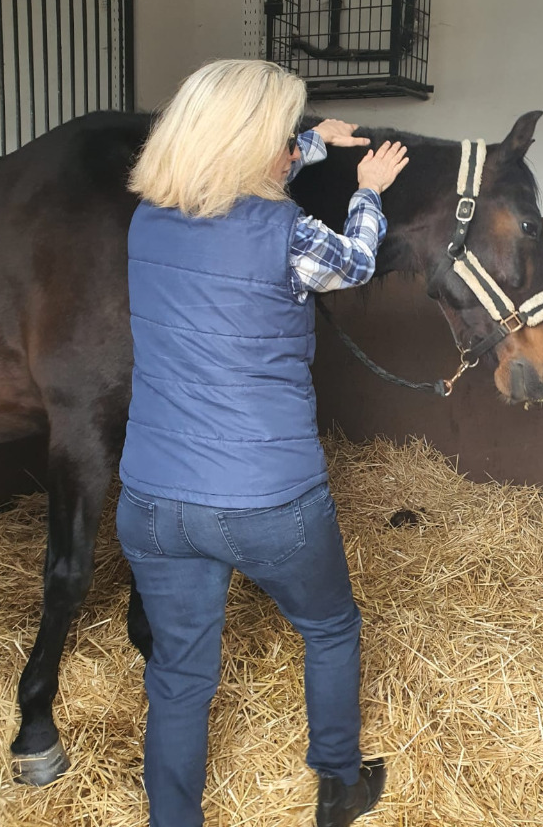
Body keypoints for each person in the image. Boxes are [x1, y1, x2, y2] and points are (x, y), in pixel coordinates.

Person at [115, 58, 409, 827]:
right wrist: (367, 190)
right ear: (253, 144)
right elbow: (357, 261)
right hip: (265, 499)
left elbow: (226, 175)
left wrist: (313, 140)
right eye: (281, 136)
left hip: (151, 498)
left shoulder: (146, 220)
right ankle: (339, 784)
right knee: (331, 627)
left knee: (179, 676)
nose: (288, 148)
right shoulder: (288, 234)